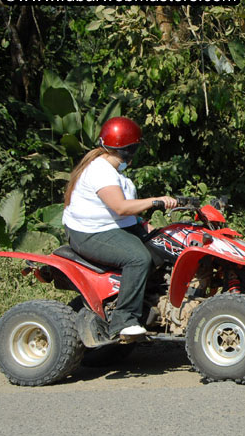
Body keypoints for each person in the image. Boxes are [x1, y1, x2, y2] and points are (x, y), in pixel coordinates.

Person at [62, 116, 177, 339]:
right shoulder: (100, 171)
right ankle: (123, 320)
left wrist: (151, 229)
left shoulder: (115, 172)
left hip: (111, 227)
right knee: (138, 258)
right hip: (89, 233)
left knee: (165, 245)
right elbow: (121, 208)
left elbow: (124, 214)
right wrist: (157, 201)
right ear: (128, 148)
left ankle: (150, 303)